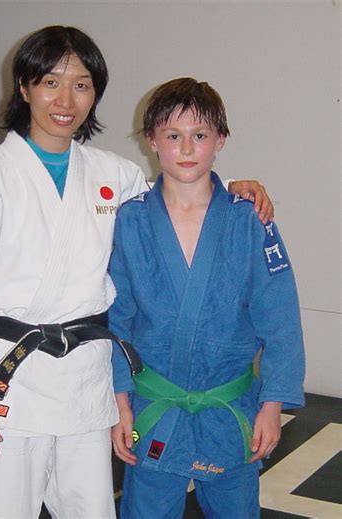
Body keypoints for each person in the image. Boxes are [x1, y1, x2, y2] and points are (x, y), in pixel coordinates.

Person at [0, 26, 274, 519]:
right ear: (25, 87)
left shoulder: (114, 175)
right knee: (2, 509)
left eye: (82, 84)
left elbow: (180, 196)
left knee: (90, 509)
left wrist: (238, 189)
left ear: (95, 94)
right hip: (10, 380)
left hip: (85, 382)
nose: (65, 99)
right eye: (51, 82)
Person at [109, 77, 305, 519]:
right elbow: (115, 322)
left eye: (200, 136)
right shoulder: (132, 221)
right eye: (173, 136)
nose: (186, 148)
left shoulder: (249, 219)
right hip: (154, 407)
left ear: (220, 140)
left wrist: (272, 405)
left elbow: (280, 319)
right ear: (152, 141)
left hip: (229, 406)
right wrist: (119, 403)